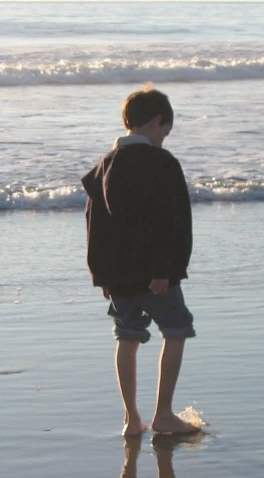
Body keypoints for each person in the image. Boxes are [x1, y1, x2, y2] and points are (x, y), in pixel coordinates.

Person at [81, 86, 200, 436]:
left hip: (116, 276)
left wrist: (101, 276)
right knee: (176, 330)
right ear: (157, 121)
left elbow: (94, 226)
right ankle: (163, 414)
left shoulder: (103, 165)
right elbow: (166, 221)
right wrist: (164, 270)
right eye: (165, 131)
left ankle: (131, 418)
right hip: (155, 274)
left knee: (127, 336)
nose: (164, 138)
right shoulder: (161, 164)